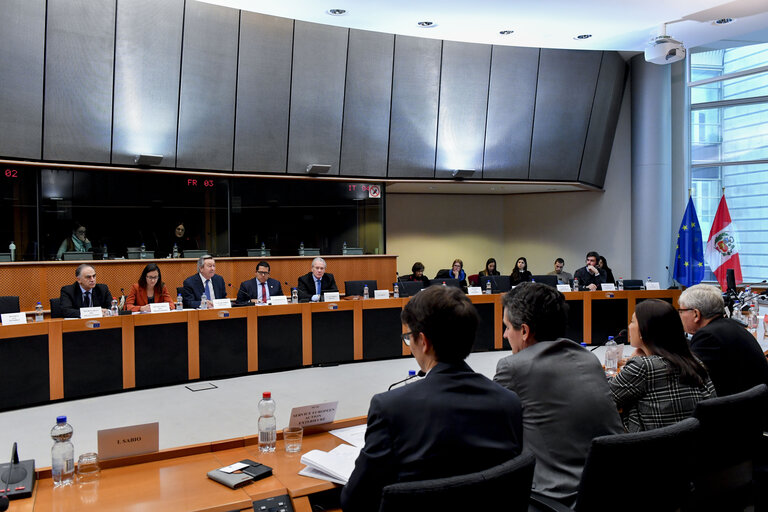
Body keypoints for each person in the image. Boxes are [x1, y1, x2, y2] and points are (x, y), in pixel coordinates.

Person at [341, 286, 523, 512]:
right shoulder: (509, 403)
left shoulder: (390, 408)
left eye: (409, 338)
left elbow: (355, 500)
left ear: (424, 342)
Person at [494, 283, 623, 505]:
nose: (505, 335)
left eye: (507, 327)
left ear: (524, 331)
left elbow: (488, 424)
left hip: (557, 497)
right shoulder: (587, 357)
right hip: (614, 487)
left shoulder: (513, 367)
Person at [609, 299, 716, 432]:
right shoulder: (693, 360)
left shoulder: (643, 366)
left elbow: (605, 397)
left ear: (644, 330)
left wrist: (631, 363)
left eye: (632, 322)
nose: (629, 327)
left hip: (647, 445)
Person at [679, 284, 768, 397]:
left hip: (739, 407)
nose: (680, 315)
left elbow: (693, 379)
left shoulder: (707, 337)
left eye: (681, 311)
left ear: (696, 314)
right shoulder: (731, 326)